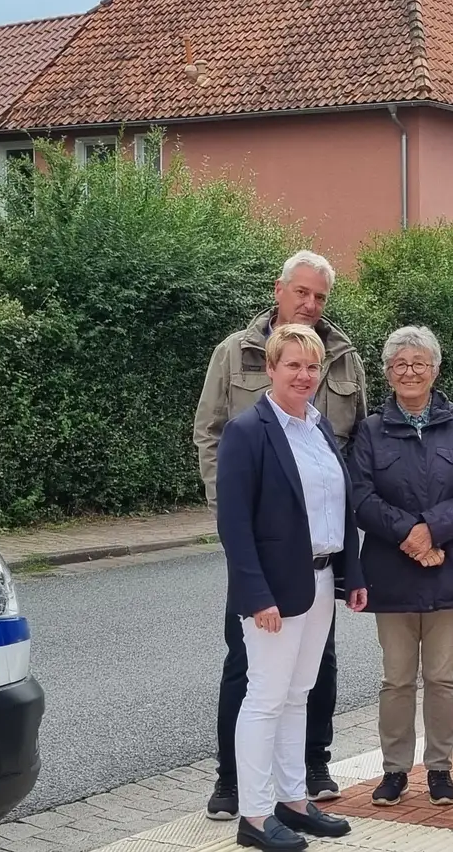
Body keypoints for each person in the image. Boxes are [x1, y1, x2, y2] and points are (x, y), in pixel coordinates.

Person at [194, 250, 369, 818]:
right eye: (301, 292)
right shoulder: (235, 355)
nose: (310, 304)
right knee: (252, 675)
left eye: (320, 296)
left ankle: (303, 782)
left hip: (318, 559)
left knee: (307, 678)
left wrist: (351, 566)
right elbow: (211, 435)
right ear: (279, 290)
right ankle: (239, 790)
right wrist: (235, 525)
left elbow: (355, 452)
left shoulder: (340, 363)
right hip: (264, 552)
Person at [346, 325, 453, 808]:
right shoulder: (370, 430)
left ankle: (440, 769)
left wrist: (431, 528)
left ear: (435, 369)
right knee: (396, 677)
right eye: (400, 365)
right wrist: (408, 534)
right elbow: (361, 495)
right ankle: (393, 770)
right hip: (391, 571)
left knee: (442, 675)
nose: (410, 372)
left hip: (449, 568)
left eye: (419, 363)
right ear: (388, 374)